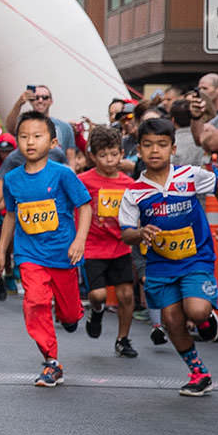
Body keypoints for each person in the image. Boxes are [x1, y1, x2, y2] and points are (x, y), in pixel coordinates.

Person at [120, 117, 218, 396]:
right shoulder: (134, 192)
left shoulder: (189, 175)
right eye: (147, 145)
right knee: (171, 320)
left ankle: (206, 319)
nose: (154, 151)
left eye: (161, 145)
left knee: (196, 311)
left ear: (172, 148)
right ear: (139, 150)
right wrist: (140, 232)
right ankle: (198, 373)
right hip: (160, 264)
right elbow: (126, 233)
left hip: (195, 258)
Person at [0, 111, 92, 387]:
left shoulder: (63, 174)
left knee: (70, 314)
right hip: (29, 254)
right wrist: (2, 253)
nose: (30, 142)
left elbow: (84, 206)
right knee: (34, 303)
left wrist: (79, 240)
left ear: (52, 142)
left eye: (37, 136)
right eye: (23, 137)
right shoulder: (12, 179)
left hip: (63, 253)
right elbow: (10, 216)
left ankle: (70, 315)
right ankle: (51, 361)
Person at [78, 126, 141, 358]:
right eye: (102, 155)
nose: (109, 160)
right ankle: (96, 311)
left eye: (114, 154)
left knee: (126, 295)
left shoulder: (128, 183)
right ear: (92, 156)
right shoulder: (83, 180)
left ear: (121, 153)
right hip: (93, 246)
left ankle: (123, 339)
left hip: (120, 245)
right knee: (98, 295)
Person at [4, 84, 78, 163]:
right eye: (36, 98)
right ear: (31, 101)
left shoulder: (65, 127)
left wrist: (70, 174)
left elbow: (71, 159)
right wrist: (19, 103)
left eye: (45, 97)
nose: (40, 100)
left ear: (51, 101)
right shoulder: (24, 125)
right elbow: (10, 128)